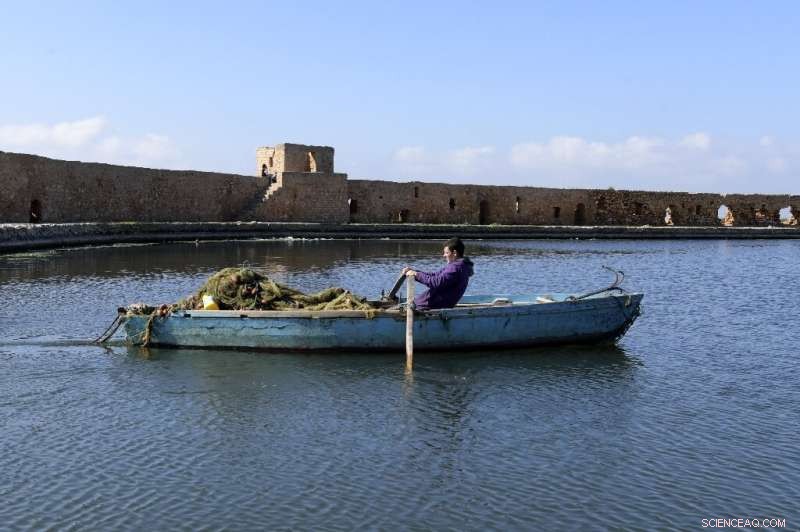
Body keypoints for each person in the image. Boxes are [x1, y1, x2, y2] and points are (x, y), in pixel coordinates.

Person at [401, 237, 474, 310]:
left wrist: (416, 274)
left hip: (429, 307)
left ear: (454, 253)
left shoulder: (456, 268)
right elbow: (435, 275)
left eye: (446, 253)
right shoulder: (457, 266)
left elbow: (436, 282)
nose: (444, 255)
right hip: (425, 304)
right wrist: (415, 272)